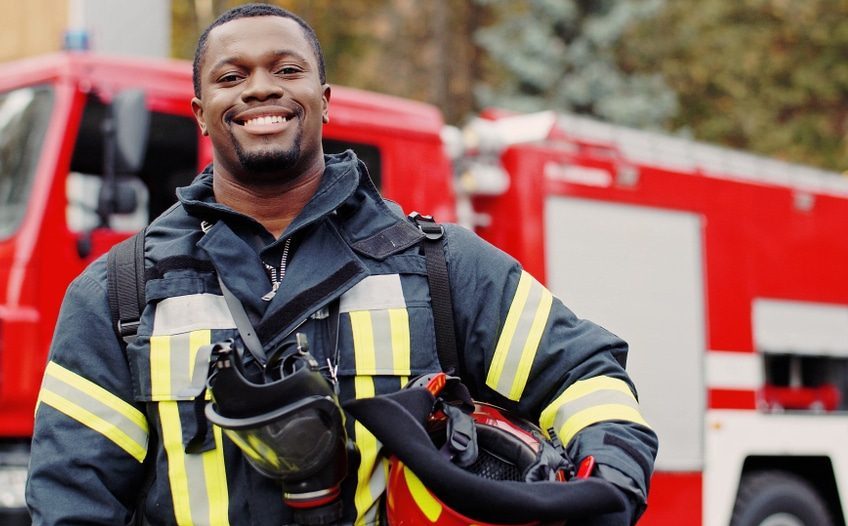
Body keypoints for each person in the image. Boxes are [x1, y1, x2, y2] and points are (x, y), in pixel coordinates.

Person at [26, 4, 657, 525]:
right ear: (199, 112)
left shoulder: (440, 267)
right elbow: (71, 495)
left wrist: (610, 470)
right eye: (230, 76)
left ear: (324, 100)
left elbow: (582, 373)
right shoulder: (120, 293)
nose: (261, 88)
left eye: (286, 69)